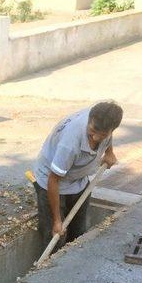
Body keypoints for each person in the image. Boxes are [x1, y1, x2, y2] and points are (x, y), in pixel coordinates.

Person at [33, 100, 122, 249]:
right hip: (53, 182)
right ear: (90, 120)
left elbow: (108, 135)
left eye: (102, 135)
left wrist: (109, 152)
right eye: (92, 131)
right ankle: (51, 271)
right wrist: (56, 220)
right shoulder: (70, 143)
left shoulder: (103, 120)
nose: (95, 138)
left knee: (79, 231)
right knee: (55, 237)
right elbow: (53, 180)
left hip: (78, 179)